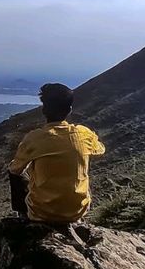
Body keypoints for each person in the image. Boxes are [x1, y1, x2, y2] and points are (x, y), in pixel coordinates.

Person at [8, 83, 105, 224]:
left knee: (14, 172)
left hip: (41, 213)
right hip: (77, 212)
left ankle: (23, 216)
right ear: (70, 110)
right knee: (81, 169)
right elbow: (100, 150)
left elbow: (15, 169)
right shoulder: (83, 134)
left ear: (44, 109)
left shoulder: (34, 138)